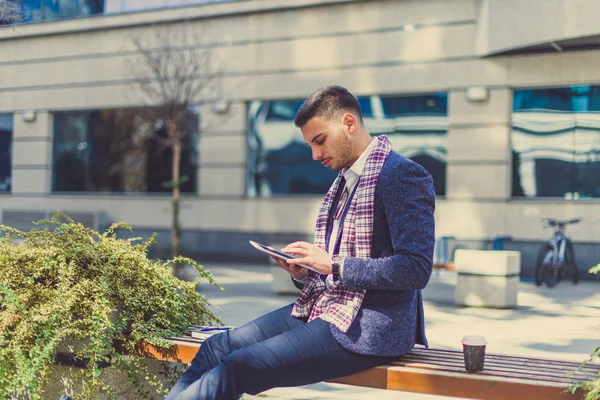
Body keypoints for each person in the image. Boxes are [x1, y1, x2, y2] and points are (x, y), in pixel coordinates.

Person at [165, 85, 436, 400]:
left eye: (319, 141)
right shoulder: (347, 180)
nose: (315, 155)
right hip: (327, 307)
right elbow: (337, 267)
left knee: (239, 365)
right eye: (310, 145)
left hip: (369, 330)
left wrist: (332, 264)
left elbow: (415, 268)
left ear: (349, 123)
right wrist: (306, 272)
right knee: (216, 348)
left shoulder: (402, 175)